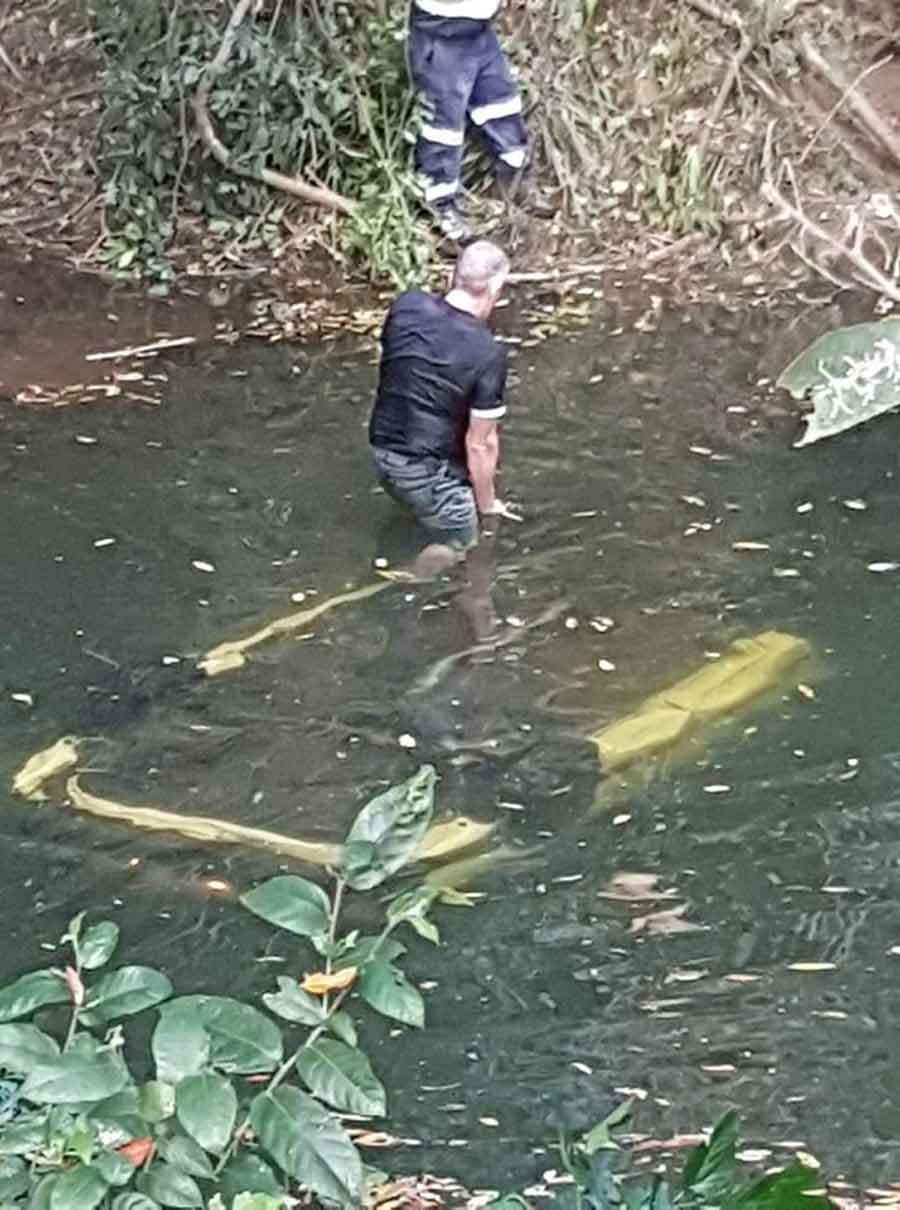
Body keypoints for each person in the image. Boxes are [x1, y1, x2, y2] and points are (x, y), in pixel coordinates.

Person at [369, 239, 521, 575]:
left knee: (420, 507)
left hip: (381, 452)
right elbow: (480, 445)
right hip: (425, 472)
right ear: (496, 290)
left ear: (453, 275)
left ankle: (412, 525)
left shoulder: (407, 306)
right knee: (464, 541)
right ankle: (407, 583)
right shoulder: (487, 354)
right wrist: (487, 508)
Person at [408, 0, 555, 241]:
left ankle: (517, 180)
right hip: (441, 31)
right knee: (443, 128)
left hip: (480, 29)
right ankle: (439, 209)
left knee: (501, 104)